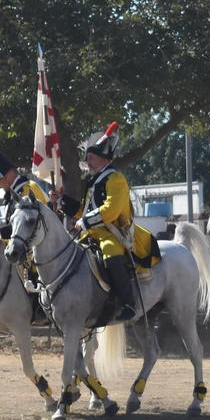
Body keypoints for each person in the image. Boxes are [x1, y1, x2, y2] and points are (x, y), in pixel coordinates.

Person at [55, 122, 154, 324]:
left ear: (102, 157)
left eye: (90, 158)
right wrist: (61, 202)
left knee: (111, 253)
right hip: (92, 234)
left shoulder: (116, 179)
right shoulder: (95, 181)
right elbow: (85, 209)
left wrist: (86, 221)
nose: (87, 162)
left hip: (113, 234)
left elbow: (111, 210)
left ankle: (128, 304)